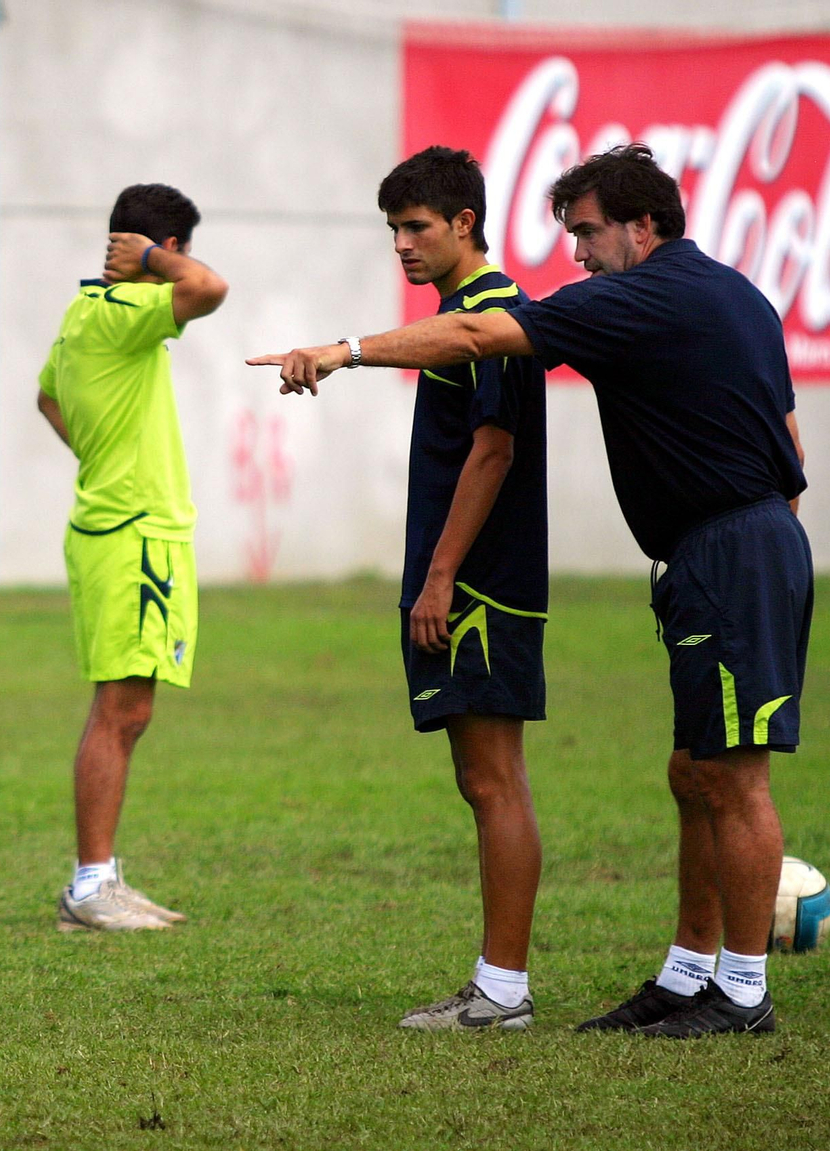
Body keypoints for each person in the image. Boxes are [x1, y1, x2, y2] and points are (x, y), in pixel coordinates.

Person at [249, 143, 810, 1038]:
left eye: (587, 234)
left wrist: (343, 350)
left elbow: (484, 340)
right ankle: (688, 972)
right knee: (695, 771)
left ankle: (740, 993)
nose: (579, 254)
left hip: (729, 552)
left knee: (734, 778)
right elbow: (792, 449)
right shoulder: (741, 296)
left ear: (643, 225)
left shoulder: (642, 293)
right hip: (732, 549)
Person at [365, 147, 548, 1029]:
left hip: (481, 588)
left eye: (416, 227)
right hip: (463, 585)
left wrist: (441, 575)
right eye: (393, 229)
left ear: (464, 224)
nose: (401, 244)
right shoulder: (457, 313)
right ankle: (497, 983)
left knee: (494, 781)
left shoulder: (495, 315)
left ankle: (503, 989)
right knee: (482, 783)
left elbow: (495, 448)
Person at [36, 183, 228, 931]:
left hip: (115, 526)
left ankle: (102, 875)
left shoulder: (84, 313)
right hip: (136, 534)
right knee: (122, 708)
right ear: (168, 247)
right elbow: (212, 289)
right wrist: (150, 261)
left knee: (125, 707)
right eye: (176, 251)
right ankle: (89, 886)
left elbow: (47, 397)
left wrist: (101, 456)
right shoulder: (125, 310)